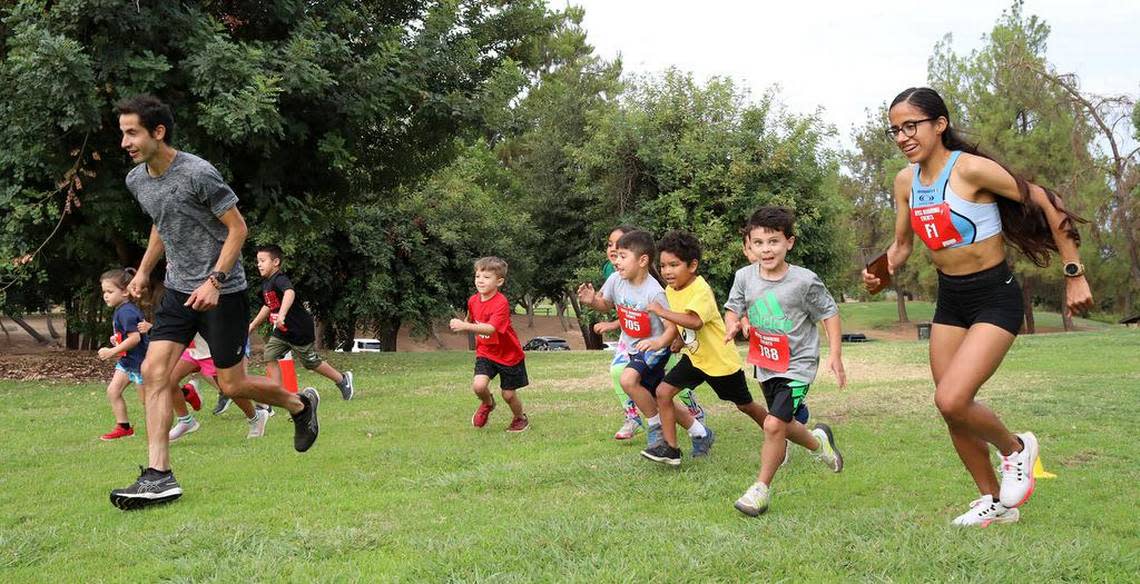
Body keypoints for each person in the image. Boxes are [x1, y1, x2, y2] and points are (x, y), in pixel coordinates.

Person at [863, 87, 1093, 527]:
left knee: (953, 397)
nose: (902, 136)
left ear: (939, 124)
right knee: (951, 411)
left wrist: (1074, 272)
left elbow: (1047, 199)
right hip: (951, 299)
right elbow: (903, 245)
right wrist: (881, 272)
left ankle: (1017, 449)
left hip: (994, 294)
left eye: (911, 125)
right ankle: (995, 502)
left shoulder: (969, 170)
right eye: (895, 130)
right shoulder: (905, 181)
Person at [110, 95, 320, 510]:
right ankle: (159, 475)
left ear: (158, 132)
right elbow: (162, 223)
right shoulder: (138, 180)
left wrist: (214, 280)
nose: (125, 142)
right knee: (154, 372)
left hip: (222, 293)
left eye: (131, 132)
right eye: (122, 133)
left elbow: (237, 229)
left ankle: (300, 403)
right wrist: (142, 270)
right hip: (176, 291)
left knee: (232, 384)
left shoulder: (198, 173)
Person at [727, 207, 846, 516]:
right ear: (750, 245)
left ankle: (760, 490)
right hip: (766, 363)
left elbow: (829, 313)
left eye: (774, 241)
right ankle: (819, 444)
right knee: (784, 425)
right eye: (759, 242)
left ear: (789, 243)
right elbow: (734, 307)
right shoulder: (744, 277)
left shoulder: (804, 281)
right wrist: (733, 323)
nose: (767, 249)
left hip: (799, 365)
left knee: (773, 424)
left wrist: (835, 353)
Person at [640, 231, 769, 468]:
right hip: (695, 359)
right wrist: (678, 338)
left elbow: (695, 321)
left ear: (693, 265)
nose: (667, 271)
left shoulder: (700, 289)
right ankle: (671, 448)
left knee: (745, 405)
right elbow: (684, 323)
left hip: (719, 362)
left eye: (674, 265)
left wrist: (662, 312)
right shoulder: (671, 290)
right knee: (662, 392)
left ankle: (776, 433)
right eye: (664, 265)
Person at [578, 230, 700, 449]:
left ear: (643, 260)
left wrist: (659, 343)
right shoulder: (616, 280)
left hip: (654, 348)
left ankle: (655, 426)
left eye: (622, 256)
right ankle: (699, 431)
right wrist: (591, 302)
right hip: (634, 346)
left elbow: (671, 328)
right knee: (656, 395)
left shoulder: (654, 292)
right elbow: (605, 304)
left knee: (627, 380)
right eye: (615, 256)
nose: (616, 261)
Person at [248, 244, 354, 400]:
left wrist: (282, 315)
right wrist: (252, 326)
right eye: (258, 261)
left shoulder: (280, 279)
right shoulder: (266, 283)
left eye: (262, 261)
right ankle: (276, 395)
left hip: (299, 329)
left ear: (276, 262)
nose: (259, 264)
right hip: (282, 331)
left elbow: (289, 293)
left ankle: (342, 380)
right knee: (270, 355)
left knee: (310, 362)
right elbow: (268, 305)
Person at [449, 257, 530, 432]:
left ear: (499, 281)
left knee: (508, 395)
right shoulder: (473, 300)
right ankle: (488, 403)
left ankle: (519, 418)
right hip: (486, 352)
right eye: (478, 276)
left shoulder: (501, 303)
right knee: (478, 386)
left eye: (486, 277)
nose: (480, 280)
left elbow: (490, 329)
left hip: (509, 356)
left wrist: (465, 326)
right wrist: (461, 324)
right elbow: (471, 319)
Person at [167, 333, 268, 441]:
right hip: (192, 348)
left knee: (228, 389)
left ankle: (255, 418)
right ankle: (186, 421)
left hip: (212, 348)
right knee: (168, 380)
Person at [96, 268, 149, 441]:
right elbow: (128, 335)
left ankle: (158, 431)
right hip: (128, 361)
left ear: (125, 292)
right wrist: (117, 339)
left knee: (148, 401)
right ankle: (124, 427)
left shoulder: (126, 311)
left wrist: (112, 351)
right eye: (104, 292)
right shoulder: (121, 309)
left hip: (140, 363)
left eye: (110, 291)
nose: (106, 296)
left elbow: (134, 339)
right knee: (113, 391)